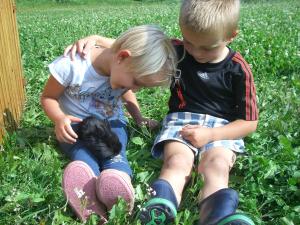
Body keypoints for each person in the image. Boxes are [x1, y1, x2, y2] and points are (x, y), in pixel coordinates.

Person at [64, 0, 259, 224]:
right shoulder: (179, 51)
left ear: (231, 36)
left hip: (222, 128)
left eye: (206, 47)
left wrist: (211, 135)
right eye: (188, 42)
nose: (195, 52)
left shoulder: (238, 69)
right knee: (176, 160)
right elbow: (135, 52)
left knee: (217, 166)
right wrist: (96, 40)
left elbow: (249, 123)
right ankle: (161, 204)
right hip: (181, 121)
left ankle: (218, 215)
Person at [40, 24, 177, 223]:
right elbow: (48, 97)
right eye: (137, 82)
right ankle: (86, 190)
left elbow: (126, 91)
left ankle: (116, 179)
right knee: (82, 155)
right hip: (75, 126)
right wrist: (59, 118)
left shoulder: (123, 69)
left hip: (111, 122)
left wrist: (138, 117)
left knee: (115, 151)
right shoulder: (72, 65)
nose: (135, 89)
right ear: (121, 57)